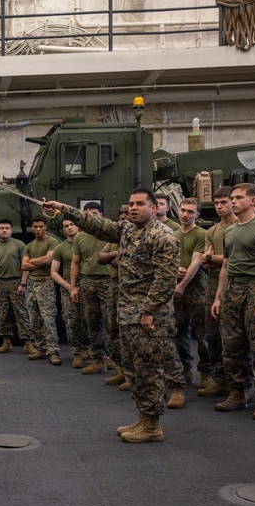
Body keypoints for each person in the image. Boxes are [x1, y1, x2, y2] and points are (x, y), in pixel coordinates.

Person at [46, 190, 180, 443]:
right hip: (128, 313)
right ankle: (143, 417)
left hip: (150, 317)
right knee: (134, 369)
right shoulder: (128, 230)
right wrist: (64, 207)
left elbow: (165, 280)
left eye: (140, 204)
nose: (133, 208)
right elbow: (98, 225)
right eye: (131, 204)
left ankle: (152, 425)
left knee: (149, 369)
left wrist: (149, 311)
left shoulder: (163, 236)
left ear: (154, 209)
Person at [209, 184, 255, 419]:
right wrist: (219, 296)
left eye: (239, 197)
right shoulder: (229, 231)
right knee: (232, 345)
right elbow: (225, 266)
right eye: (232, 198)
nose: (233, 201)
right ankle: (238, 393)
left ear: (253, 201)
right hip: (233, 288)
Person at [198, 187, 237, 398]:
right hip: (213, 285)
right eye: (217, 203)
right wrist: (212, 259)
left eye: (224, 202)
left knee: (234, 337)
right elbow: (207, 262)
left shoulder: (239, 227)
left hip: (238, 284)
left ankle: (237, 383)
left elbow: (235, 261)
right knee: (212, 335)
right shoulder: (212, 231)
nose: (220, 207)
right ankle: (220, 379)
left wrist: (214, 258)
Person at [172, 197, 209, 404]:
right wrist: (174, 270)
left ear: (197, 215)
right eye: (183, 210)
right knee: (179, 331)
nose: (185, 214)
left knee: (202, 333)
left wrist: (182, 284)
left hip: (196, 288)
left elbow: (196, 262)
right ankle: (186, 370)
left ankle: (206, 373)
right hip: (177, 289)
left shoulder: (201, 234)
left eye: (190, 212)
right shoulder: (174, 234)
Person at [70, 202, 114, 375]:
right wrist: (73, 287)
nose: (91, 217)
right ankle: (98, 360)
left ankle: (115, 360)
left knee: (111, 323)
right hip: (87, 282)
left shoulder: (110, 233)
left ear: (101, 215)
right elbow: (75, 262)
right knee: (92, 322)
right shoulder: (80, 237)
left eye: (94, 213)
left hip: (107, 281)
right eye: (87, 214)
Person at [97, 204, 130, 388]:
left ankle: (133, 376)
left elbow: (129, 263)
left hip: (130, 288)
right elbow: (100, 257)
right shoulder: (116, 236)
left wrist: (115, 257)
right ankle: (121, 370)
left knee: (129, 333)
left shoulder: (138, 234)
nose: (124, 215)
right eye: (121, 212)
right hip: (113, 285)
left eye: (127, 212)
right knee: (112, 329)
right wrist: (118, 254)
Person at [21, 216, 62, 365]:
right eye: (35, 227)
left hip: (46, 283)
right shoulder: (30, 246)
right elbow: (23, 266)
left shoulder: (52, 242)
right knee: (34, 320)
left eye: (41, 226)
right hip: (32, 284)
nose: (38, 229)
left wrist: (32, 261)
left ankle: (53, 352)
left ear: (45, 227)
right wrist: (36, 262)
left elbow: (48, 260)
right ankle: (41, 349)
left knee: (48, 319)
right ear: (32, 227)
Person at [0, 219, 30, 354]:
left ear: (11, 230)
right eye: (2, 228)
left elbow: (25, 265)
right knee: (2, 314)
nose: (4, 230)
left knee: (21, 313)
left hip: (16, 283)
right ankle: (6, 342)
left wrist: (23, 283)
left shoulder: (19, 245)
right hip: (0, 283)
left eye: (7, 228)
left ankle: (28, 343)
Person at [51, 219, 86, 367]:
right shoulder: (60, 248)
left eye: (72, 224)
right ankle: (77, 354)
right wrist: (68, 287)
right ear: (63, 230)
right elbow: (53, 272)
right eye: (66, 226)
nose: (70, 228)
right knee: (72, 321)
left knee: (93, 320)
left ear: (77, 226)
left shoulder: (86, 242)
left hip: (86, 285)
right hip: (68, 288)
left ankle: (97, 353)